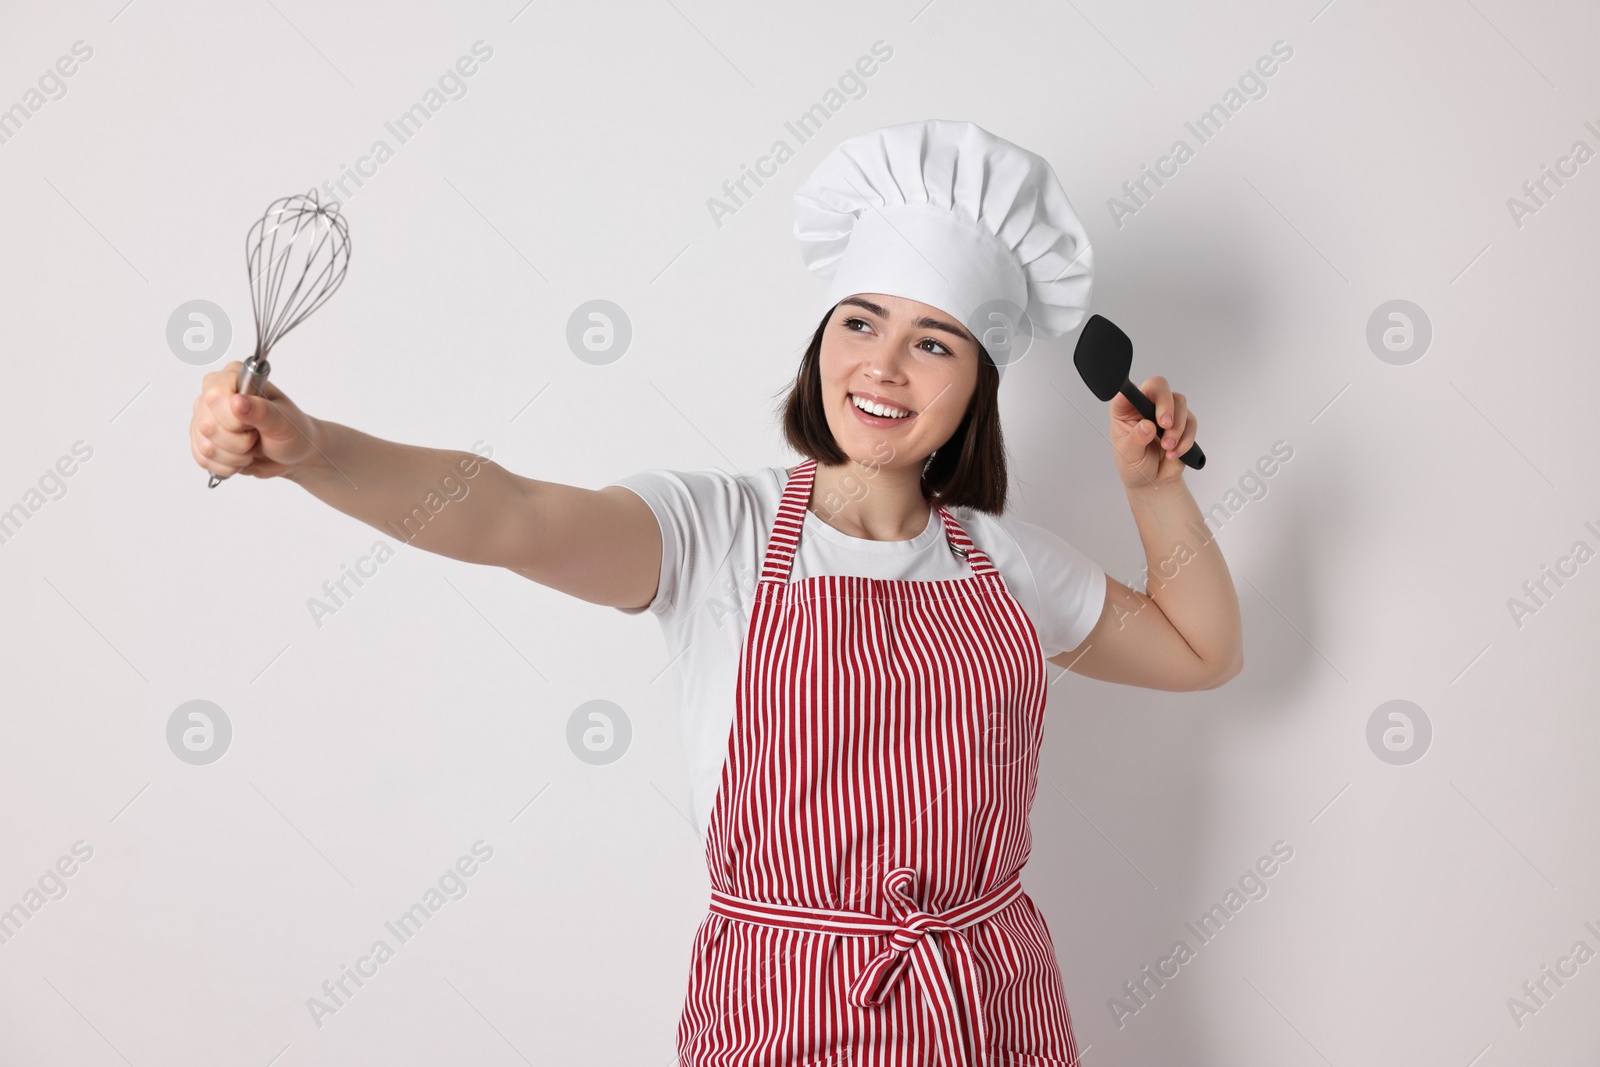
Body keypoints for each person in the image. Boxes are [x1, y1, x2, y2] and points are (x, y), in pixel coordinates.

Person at [188, 119, 1242, 1067]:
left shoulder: (1011, 566)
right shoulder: (715, 533)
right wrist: (313, 447)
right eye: (859, 322)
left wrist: (1153, 493)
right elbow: (503, 513)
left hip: (991, 1011)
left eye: (933, 342)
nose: (882, 365)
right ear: (821, 338)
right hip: (781, 1013)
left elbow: (1202, 651)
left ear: (976, 383)